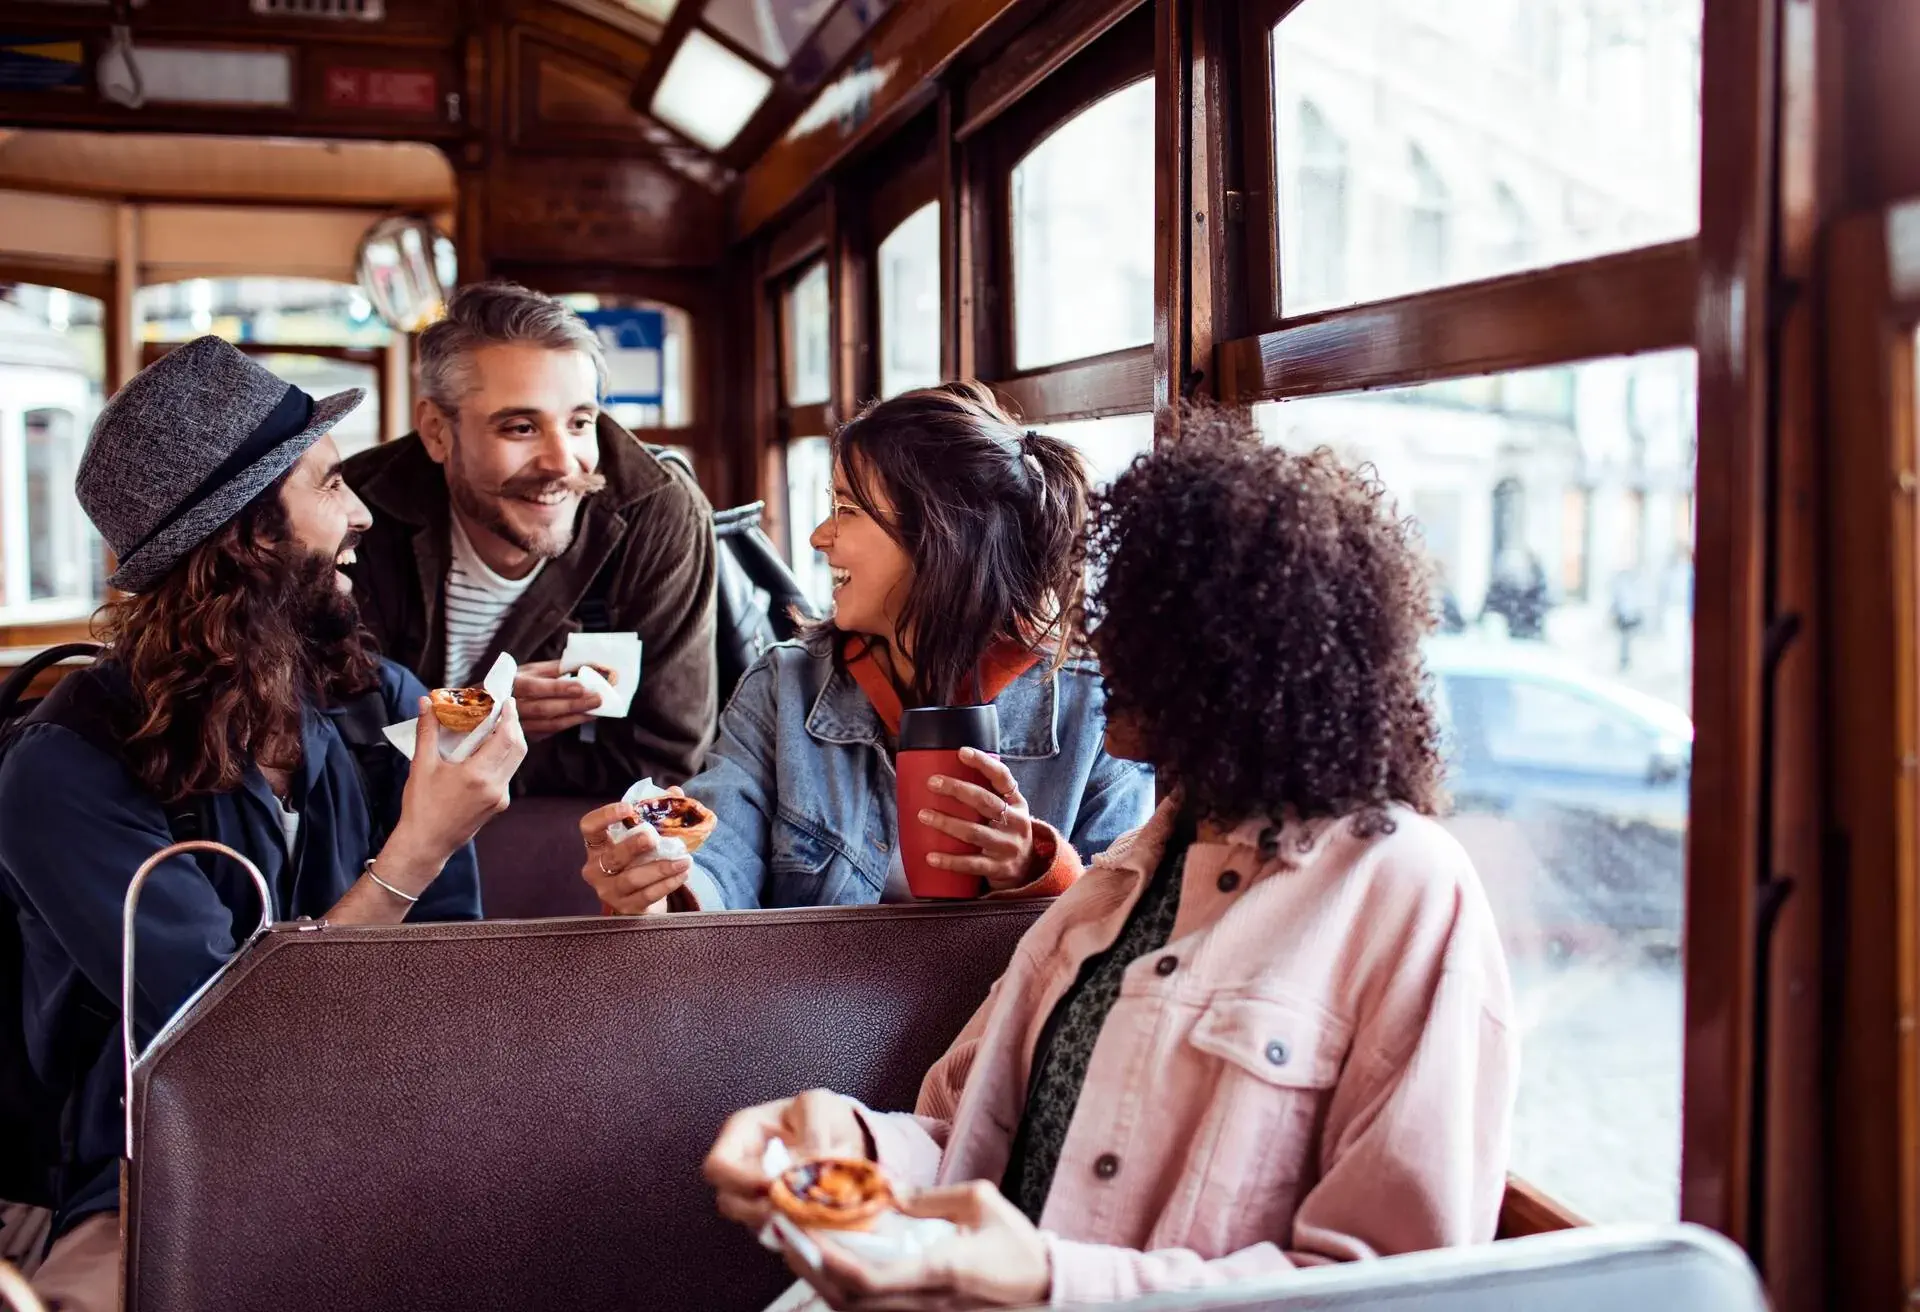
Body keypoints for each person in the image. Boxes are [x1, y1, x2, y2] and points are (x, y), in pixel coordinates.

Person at [703, 408, 1515, 1307]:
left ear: (1237, 660)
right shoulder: (1125, 875)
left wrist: (1052, 1281)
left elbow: (1401, 1288)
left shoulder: (1407, 893)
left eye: (1134, 621)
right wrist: (849, 1140)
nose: (1097, 645)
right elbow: (962, 1137)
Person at [0, 338, 526, 1311]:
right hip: (136, 1164)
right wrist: (415, 850)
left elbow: (451, 974)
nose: (364, 512)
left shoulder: (372, 701)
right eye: (329, 483)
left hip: (371, 1134)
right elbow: (229, 1043)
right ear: (245, 537)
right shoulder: (66, 769)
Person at [578, 383, 1153, 912]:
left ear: (941, 538)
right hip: (809, 1018)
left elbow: (1128, 925)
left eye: (847, 510)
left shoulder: (1098, 708)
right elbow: (718, 864)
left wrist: (1034, 870)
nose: (818, 537)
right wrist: (653, 884)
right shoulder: (785, 687)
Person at [343, 280, 718, 796]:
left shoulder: (659, 511)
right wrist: (470, 717)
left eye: (580, 422)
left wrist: (480, 742)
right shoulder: (355, 513)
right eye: (520, 427)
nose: (562, 463)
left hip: (565, 842)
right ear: (436, 431)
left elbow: (666, 761)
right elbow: (332, 742)